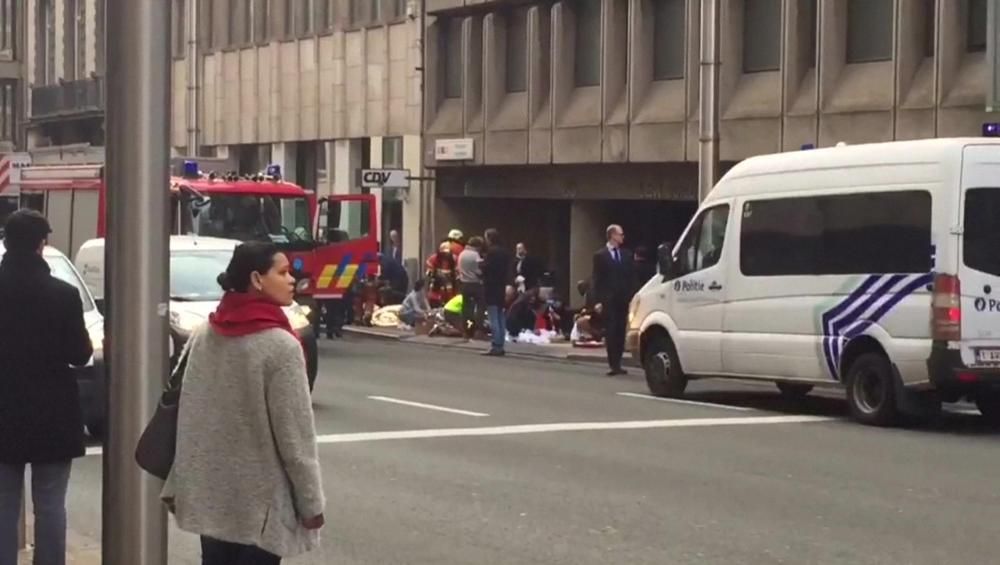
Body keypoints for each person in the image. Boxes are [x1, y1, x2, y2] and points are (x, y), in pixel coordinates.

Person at [162, 241, 325, 563]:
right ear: (257, 279)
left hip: (211, 494)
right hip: (261, 504)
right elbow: (295, 439)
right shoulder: (281, 346)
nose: (292, 279)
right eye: (283, 272)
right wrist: (312, 505)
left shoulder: (205, 333)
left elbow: (190, 411)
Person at [0, 210, 93, 565]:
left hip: (2, 408)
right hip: (52, 410)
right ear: (42, 244)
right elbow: (80, 354)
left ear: (6, 243)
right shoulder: (64, 295)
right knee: (51, 504)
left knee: (4, 504)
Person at [592, 224, 635, 376]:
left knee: (620, 330)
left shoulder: (626, 254)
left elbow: (630, 277)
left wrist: (631, 295)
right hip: (608, 299)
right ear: (612, 236)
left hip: (622, 298)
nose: (622, 237)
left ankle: (619, 362)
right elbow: (597, 279)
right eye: (620, 234)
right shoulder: (600, 255)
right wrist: (598, 301)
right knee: (611, 330)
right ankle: (612, 364)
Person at [481, 229, 512, 356]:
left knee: (493, 317)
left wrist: (481, 266)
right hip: (501, 286)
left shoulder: (491, 252)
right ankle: (501, 344)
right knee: (500, 317)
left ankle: (496, 345)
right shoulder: (505, 252)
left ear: (490, 238)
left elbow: (487, 268)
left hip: (491, 287)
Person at [458, 236, 485, 340]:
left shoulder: (462, 254)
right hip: (475, 284)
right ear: (477, 246)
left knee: (466, 309)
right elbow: (479, 270)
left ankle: (466, 331)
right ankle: (478, 331)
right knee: (480, 307)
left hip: (464, 284)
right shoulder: (475, 255)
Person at [425, 242, 458, 307]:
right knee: (434, 302)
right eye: (443, 253)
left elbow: (457, 272)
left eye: (447, 253)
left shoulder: (454, 258)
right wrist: (436, 274)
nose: (445, 255)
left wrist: (452, 275)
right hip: (436, 285)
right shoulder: (433, 258)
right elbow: (428, 272)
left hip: (450, 285)